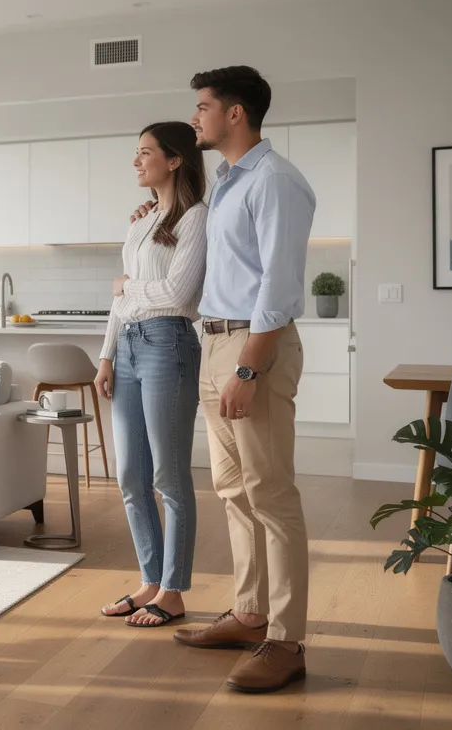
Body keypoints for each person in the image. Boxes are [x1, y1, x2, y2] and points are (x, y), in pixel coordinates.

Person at [169, 66, 315, 693]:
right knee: (233, 490)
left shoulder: (276, 181)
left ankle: (285, 639)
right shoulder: (227, 182)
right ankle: (250, 613)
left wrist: (249, 367)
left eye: (203, 107)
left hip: (253, 347)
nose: (195, 117)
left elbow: (277, 291)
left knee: (272, 495)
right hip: (215, 339)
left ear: (235, 114)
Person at [95, 122, 207, 629]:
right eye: (135, 153)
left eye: (145, 153)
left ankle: (175, 589)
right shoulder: (141, 222)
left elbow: (180, 296)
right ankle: (149, 581)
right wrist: (106, 355)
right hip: (132, 348)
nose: (136, 162)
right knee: (130, 477)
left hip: (169, 344)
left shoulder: (196, 218)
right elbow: (127, 299)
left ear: (176, 159)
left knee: (169, 476)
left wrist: (126, 287)